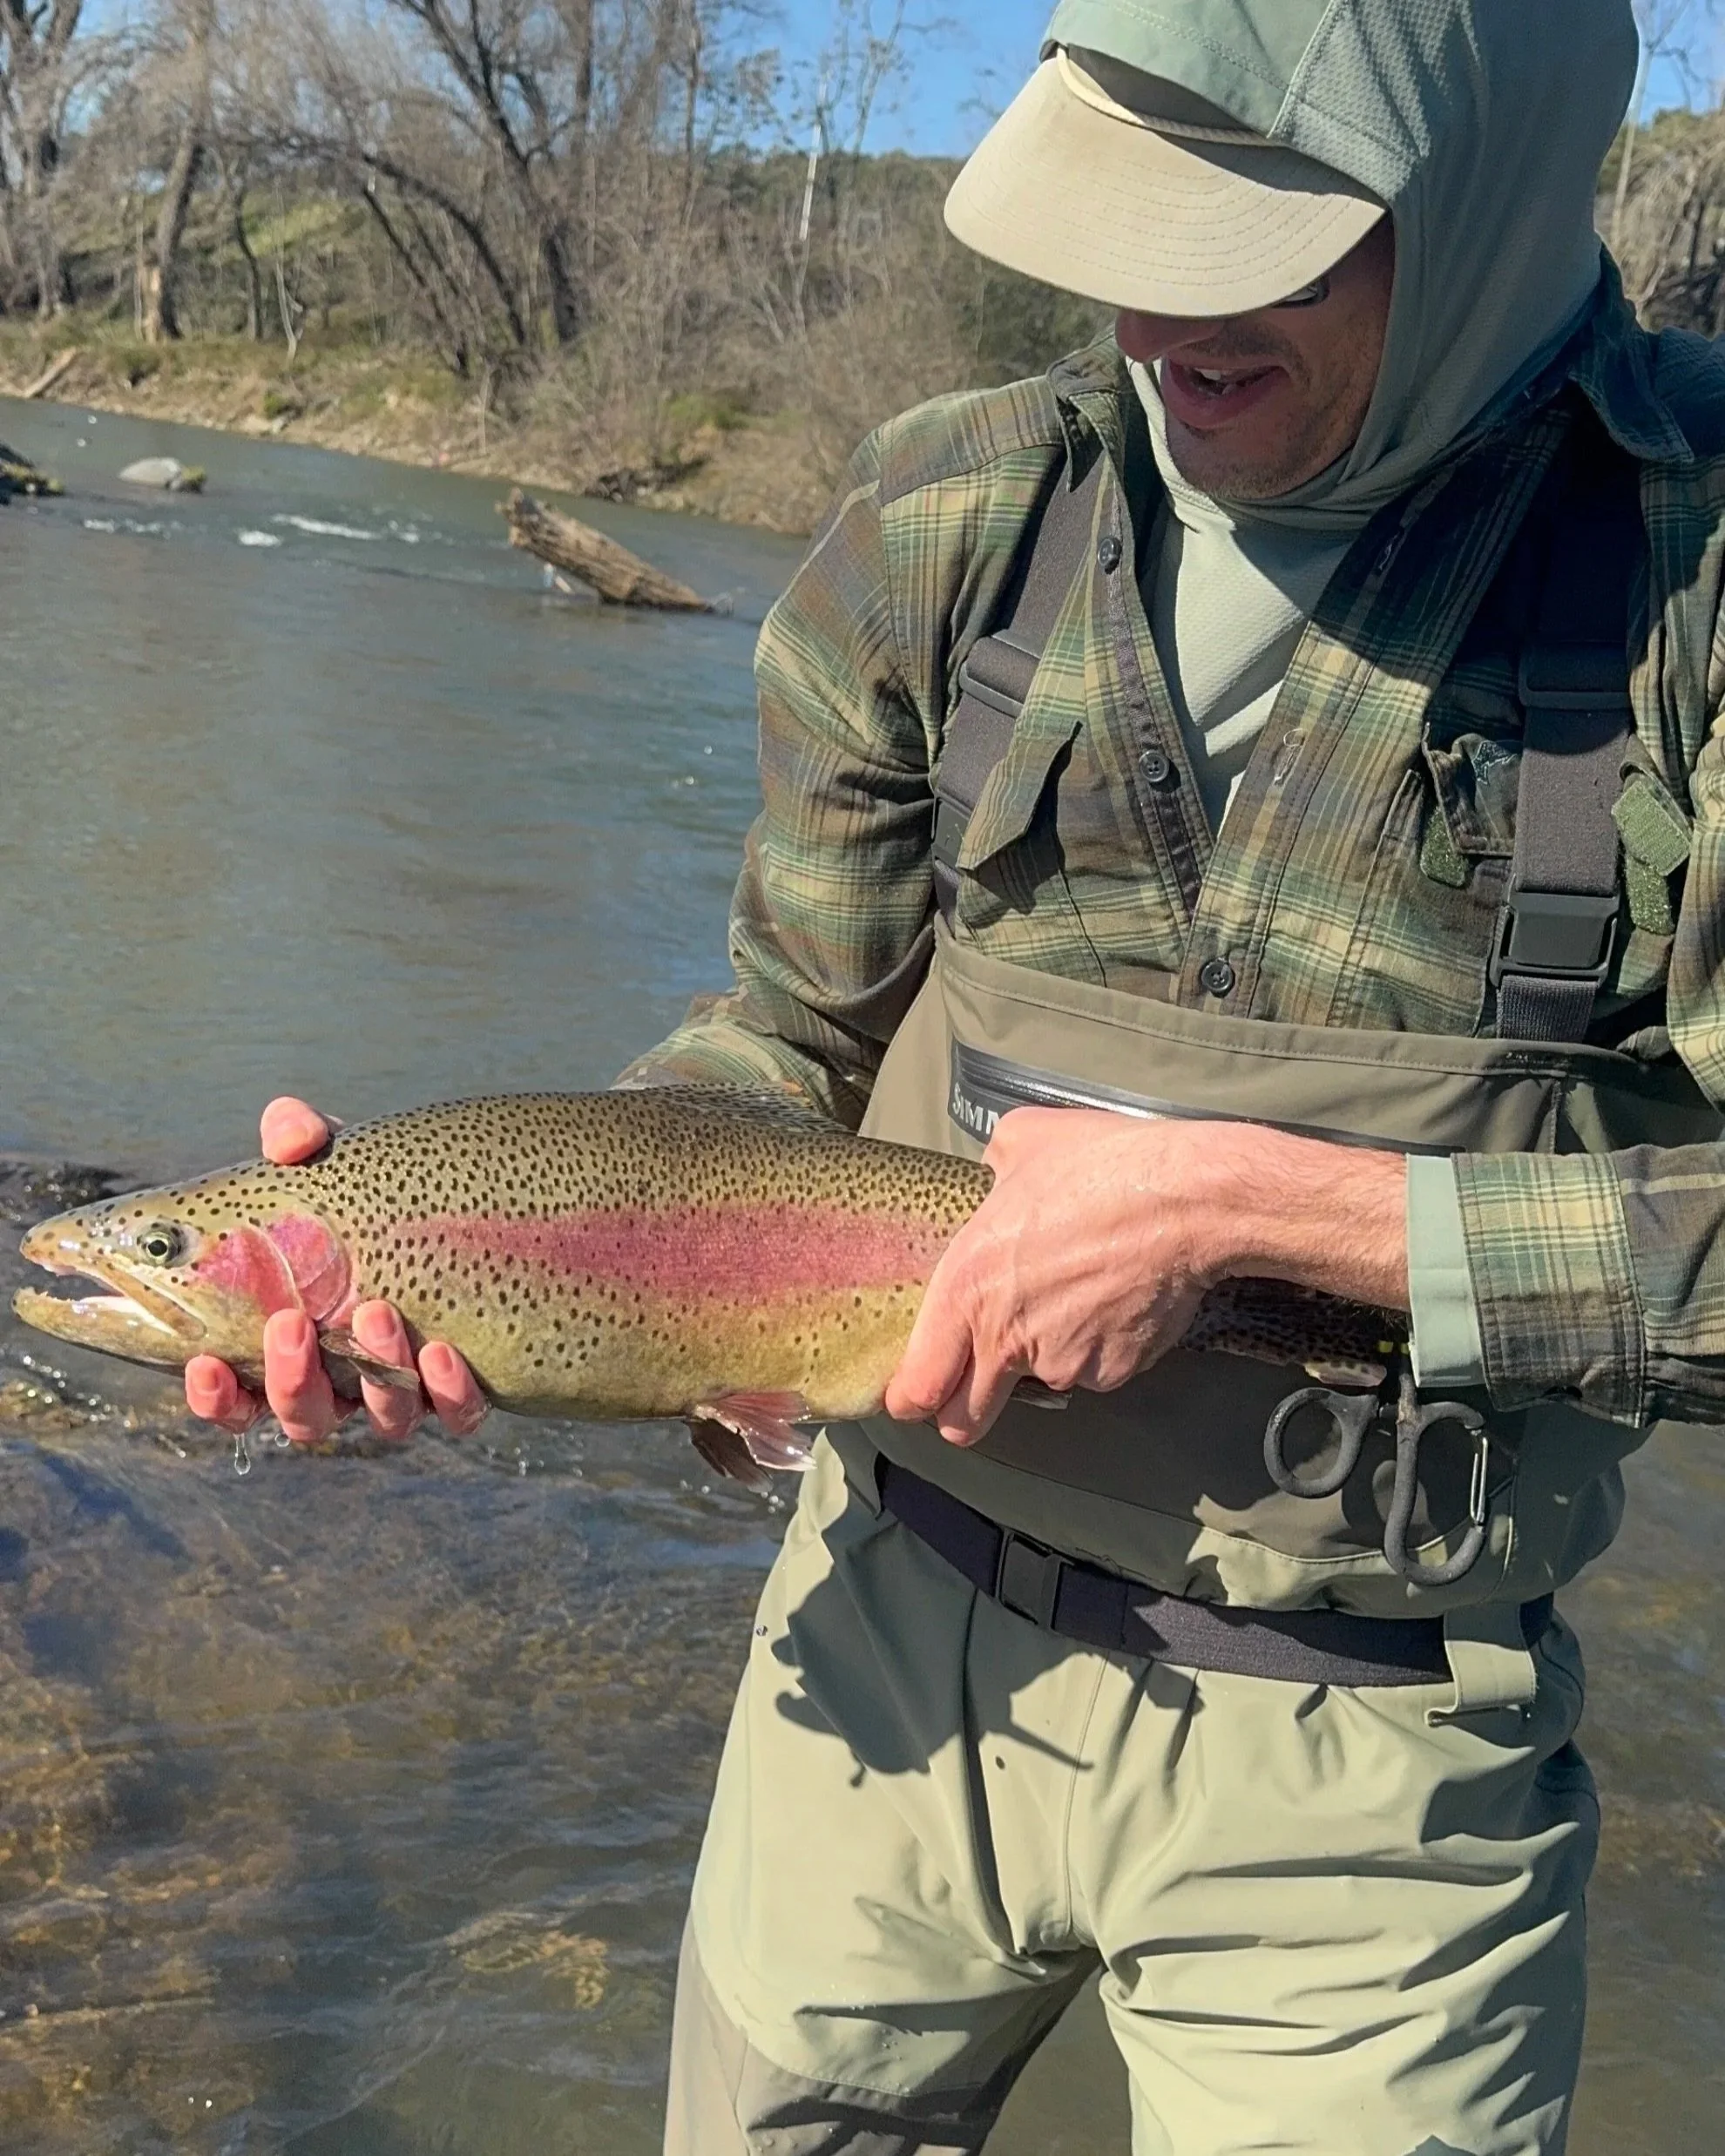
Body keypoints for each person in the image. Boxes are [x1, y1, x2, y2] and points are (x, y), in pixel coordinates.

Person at [186, 2, 1725, 2148]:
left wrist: (1247, 1216)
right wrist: (489, 1260)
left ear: (1468, 191)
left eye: (1236, 236)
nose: (1149, 311)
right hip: (878, 1648)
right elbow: (785, 1044)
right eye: (1123, 221)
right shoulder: (956, 509)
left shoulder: (1693, 592)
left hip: (1374, 1760)